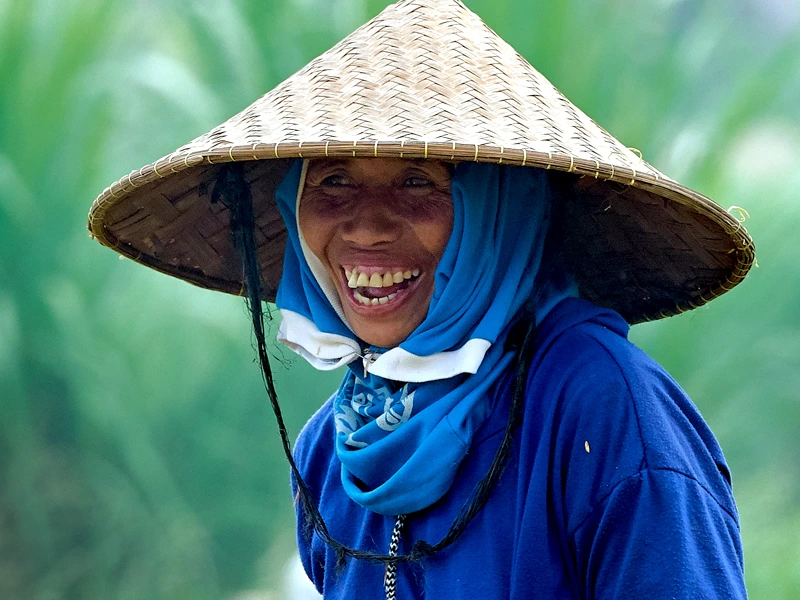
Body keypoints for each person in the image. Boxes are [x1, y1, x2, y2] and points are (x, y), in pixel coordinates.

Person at [87, 0, 755, 598]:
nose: (368, 227)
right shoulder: (334, 450)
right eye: (335, 183)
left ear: (500, 212)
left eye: (417, 182)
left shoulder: (602, 409)